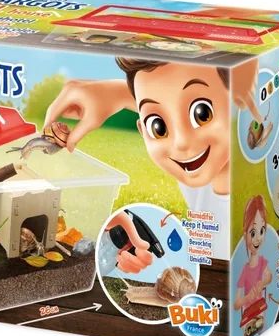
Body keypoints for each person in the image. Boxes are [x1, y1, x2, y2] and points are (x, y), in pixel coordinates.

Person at [44, 57, 262, 266]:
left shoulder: (244, 203)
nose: (181, 142)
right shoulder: (197, 168)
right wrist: (114, 93)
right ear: (143, 131)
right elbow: (170, 98)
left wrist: (117, 93)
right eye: (158, 128)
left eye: (202, 113)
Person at [233, 195, 273, 312]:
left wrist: (262, 282)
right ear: (245, 236)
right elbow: (236, 304)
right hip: (248, 316)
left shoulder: (261, 262)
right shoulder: (245, 270)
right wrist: (246, 298)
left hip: (261, 310)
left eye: (262, 231)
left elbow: (269, 276)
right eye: (253, 233)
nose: (258, 238)